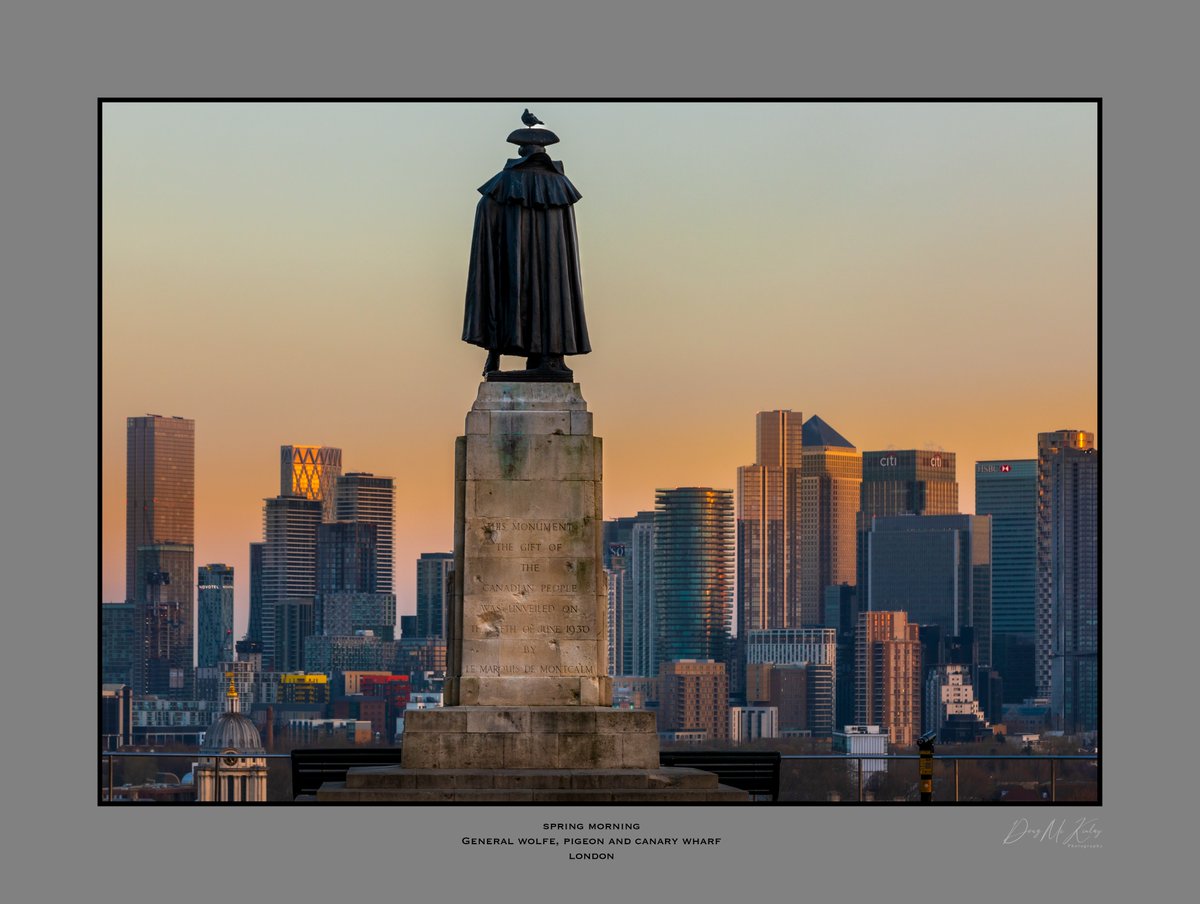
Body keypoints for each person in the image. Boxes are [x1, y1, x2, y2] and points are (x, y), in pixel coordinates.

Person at [462, 119, 591, 380]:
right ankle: (549, 354)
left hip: (515, 264)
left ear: (521, 152)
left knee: (519, 290)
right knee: (551, 289)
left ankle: (544, 356)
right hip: (549, 272)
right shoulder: (559, 186)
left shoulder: (504, 183)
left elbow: (486, 212)